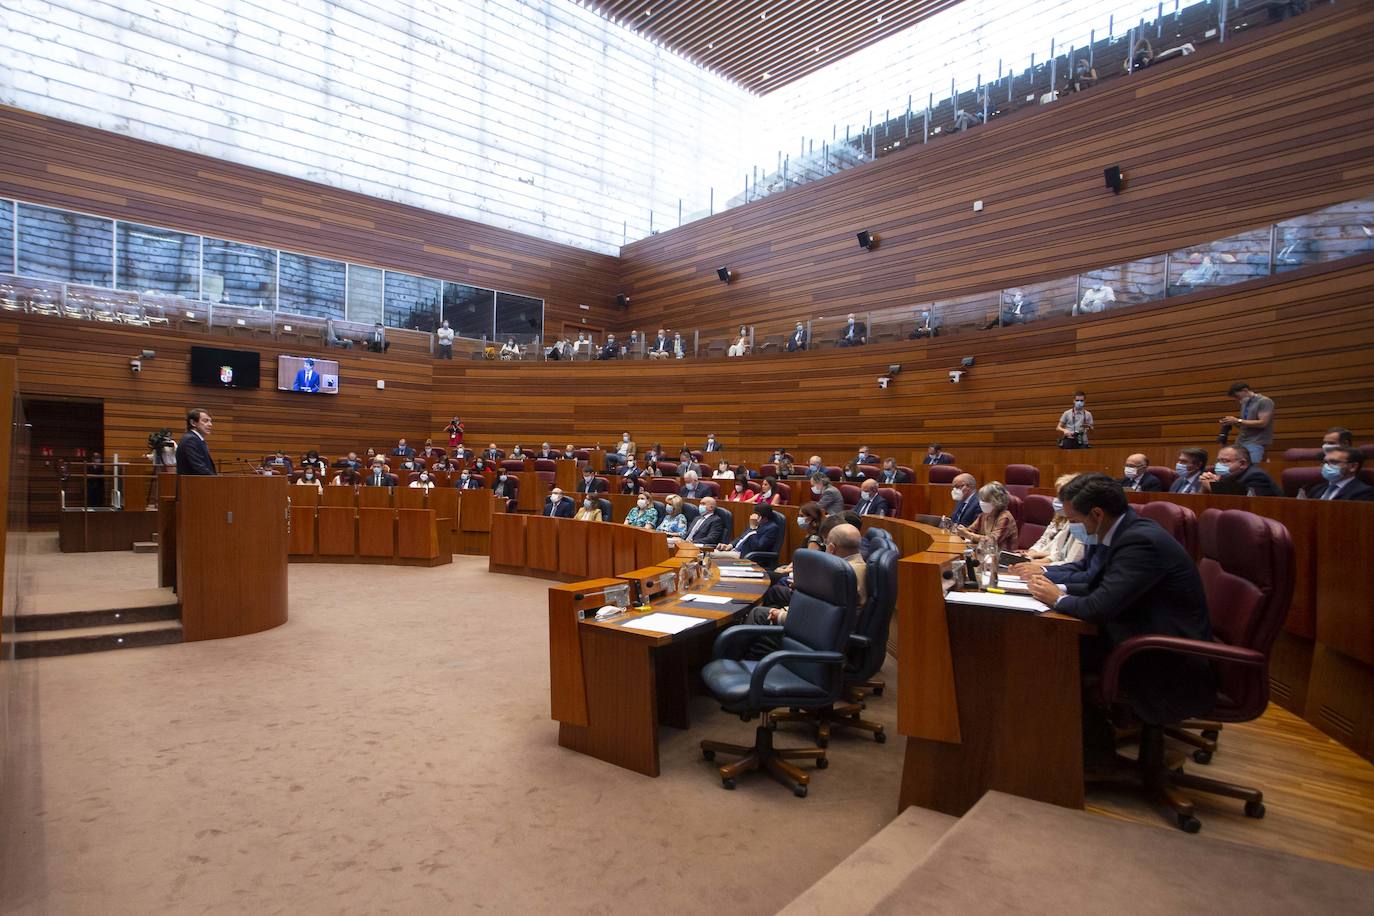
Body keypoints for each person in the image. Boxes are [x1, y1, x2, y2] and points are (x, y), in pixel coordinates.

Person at [1023, 474, 1215, 727]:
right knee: (1045, 645)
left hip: (1163, 655)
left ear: (1097, 514)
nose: (1071, 527)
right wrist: (1053, 587)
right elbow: (1096, 584)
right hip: (1137, 630)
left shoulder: (1140, 542)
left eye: (1074, 521)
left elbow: (1098, 607)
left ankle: (1087, 748)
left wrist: (1058, 599)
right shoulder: (1118, 530)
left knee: (1052, 654)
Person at [746, 524, 868, 659]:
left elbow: (821, 618)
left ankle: (735, 661)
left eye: (826, 544)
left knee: (757, 615)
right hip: (831, 636)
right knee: (766, 612)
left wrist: (781, 616)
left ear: (832, 548)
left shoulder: (842, 575)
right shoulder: (858, 567)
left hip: (817, 643)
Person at [1023, 476, 1087, 567]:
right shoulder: (1061, 518)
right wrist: (1031, 553)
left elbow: (1066, 560)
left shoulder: (1080, 524)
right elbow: (1045, 541)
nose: (1058, 500)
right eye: (1058, 495)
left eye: (1063, 496)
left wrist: (1034, 563)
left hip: (1054, 565)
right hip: (1047, 562)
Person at [1221, 382, 1275, 464]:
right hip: (1241, 441)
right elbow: (1245, 424)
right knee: (1233, 466)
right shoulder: (1245, 403)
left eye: (1237, 396)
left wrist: (1238, 420)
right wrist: (1232, 422)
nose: (1237, 399)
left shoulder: (1264, 401)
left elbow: (1263, 423)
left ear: (1245, 390)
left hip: (1256, 441)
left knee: (1251, 468)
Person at [956, 481, 1018, 551]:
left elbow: (992, 541)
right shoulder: (984, 514)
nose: (981, 502)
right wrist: (961, 530)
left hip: (1004, 558)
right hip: (986, 554)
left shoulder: (1005, 517)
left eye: (985, 500)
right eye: (981, 499)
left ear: (997, 501)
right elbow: (971, 530)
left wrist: (967, 535)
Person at [1199, 445, 1281, 497]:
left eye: (1224, 461)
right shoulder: (1227, 475)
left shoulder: (1256, 476)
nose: (1218, 465)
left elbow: (1250, 503)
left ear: (1242, 463)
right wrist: (1204, 484)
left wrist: (1212, 486)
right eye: (1218, 461)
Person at [1302, 446, 1374, 501]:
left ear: (1353, 466)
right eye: (1325, 462)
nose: (1326, 466)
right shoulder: (1317, 489)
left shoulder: (1365, 493)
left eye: (1334, 462)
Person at [177, 408, 217, 476]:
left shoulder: (196, 439)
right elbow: (199, 467)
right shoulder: (191, 440)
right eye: (205, 421)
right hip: (193, 484)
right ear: (193, 423)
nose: (210, 424)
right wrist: (216, 480)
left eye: (210, 421)